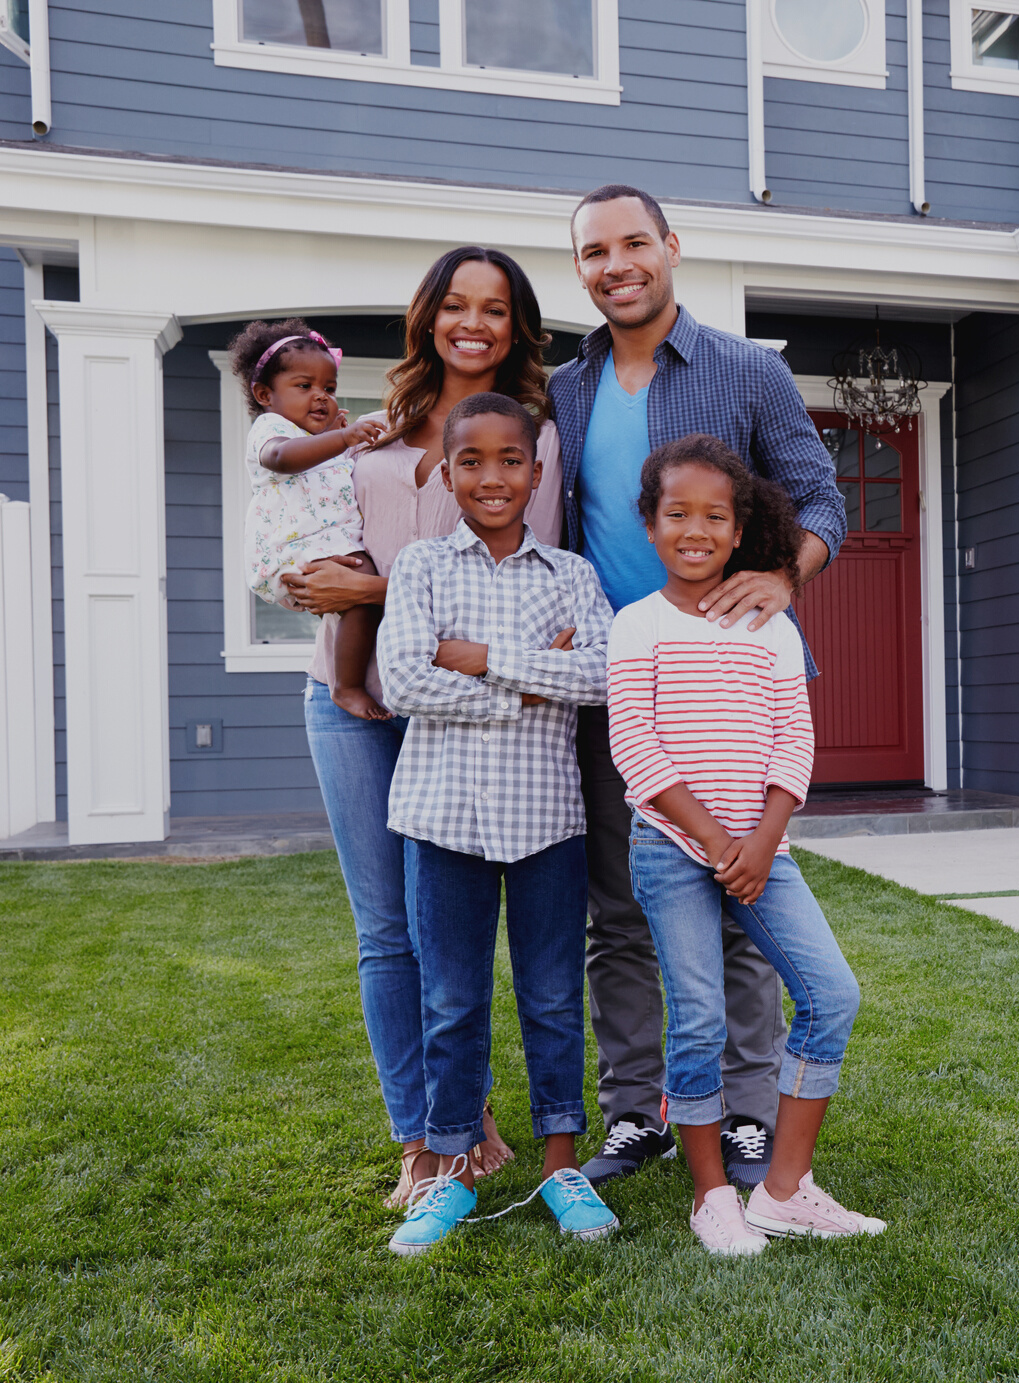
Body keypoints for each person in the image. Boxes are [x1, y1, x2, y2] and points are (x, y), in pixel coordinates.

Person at [549, 183, 847, 1188]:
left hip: (736, 684)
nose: (616, 264)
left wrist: (784, 573)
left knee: (744, 905)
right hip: (622, 686)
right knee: (622, 909)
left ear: (671, 247)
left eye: (635, 242)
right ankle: (636, 1113)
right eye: (595, 251)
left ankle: (750, 1114)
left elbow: (819, 496)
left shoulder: (747, 371)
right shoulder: (566, 389)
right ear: (580, 269)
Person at [280, 247, 563, 1207]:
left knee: (458, 930)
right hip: (350, 700)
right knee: (385, 932)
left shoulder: (537, 439)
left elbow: (523, 590)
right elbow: (313, 549)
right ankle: (426, 1134)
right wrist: (312, 579)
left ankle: (464, 1111)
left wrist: (368, 585)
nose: (472, 323)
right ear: (428, 316)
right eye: (454, 304)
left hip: (463, 714)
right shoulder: (370, 429)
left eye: (493, 308)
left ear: (517, 325)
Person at [609, 436, 880, 1255]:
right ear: (650, 526)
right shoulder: (636, 625)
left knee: (831, 997)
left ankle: (784, 1191)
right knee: (699, 1019)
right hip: (672, 847)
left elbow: (793, 743)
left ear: (739, 529)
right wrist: (719, 841)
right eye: (677, 513)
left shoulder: (774, 628)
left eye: (714, 515)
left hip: (766, 848)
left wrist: (762, 842)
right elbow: (637, 750)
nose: (696, 528)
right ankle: (710, 1196)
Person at [378, 393, 619, 1255]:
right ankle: (448, 1169)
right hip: (443, 819)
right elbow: (404, 681)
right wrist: (528, 680)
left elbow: (596, 676)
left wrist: (478, 660)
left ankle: (562, 1164)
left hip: (547, 819)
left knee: (555, 996)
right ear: (448, 473)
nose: (491, 477)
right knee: (451, 998)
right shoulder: (419, 569)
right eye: (471, 461)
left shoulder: (572, 577)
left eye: (510, 460)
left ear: (536, 470)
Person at [230, 320, 386, 720]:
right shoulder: (271, 429)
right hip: (293, 548)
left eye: (329, 389)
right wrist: (342, 438)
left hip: (327, 543)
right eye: (304, 387)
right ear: (266, 395)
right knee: (361, 590)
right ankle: (346, 686)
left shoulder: (324, 440)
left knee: (361, 593)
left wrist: (336, 438)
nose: (320, 397)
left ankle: (352, 678)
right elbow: (282, 458)